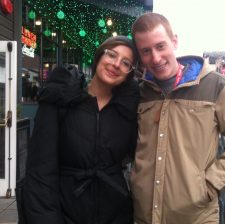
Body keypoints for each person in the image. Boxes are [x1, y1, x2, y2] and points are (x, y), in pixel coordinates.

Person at [129, 12, 225, 224]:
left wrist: (208, 185)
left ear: (174, 42)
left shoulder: (216, 86)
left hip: (196, 217)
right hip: (144, 215)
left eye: (160, 46)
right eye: (146, 51)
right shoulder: (139, 92)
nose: (155, 58)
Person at [22, 36, 139, 224]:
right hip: (66, 210)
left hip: (115, 212)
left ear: (129, 73)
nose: (116, 64)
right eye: (112, 54)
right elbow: (40, 171)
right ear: (100, 55)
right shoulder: (62, 99)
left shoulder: (128, 110)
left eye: (126, 63)